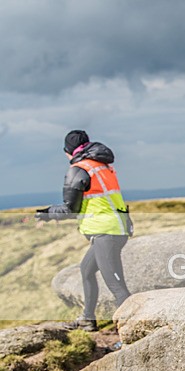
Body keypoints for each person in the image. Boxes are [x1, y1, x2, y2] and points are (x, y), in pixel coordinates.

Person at [35, 130, 132, 331]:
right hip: (115, 227)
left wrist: (46, 213)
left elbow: (70, 209)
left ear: (68, 151)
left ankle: (131, 333)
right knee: (86, 270)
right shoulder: (101, 166)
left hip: (106, 232)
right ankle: (87, 318)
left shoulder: (79, 170)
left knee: (117, 287)